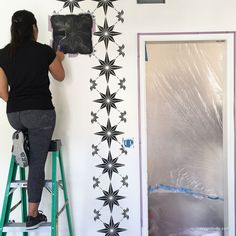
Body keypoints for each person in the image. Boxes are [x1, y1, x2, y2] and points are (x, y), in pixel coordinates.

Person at [0, 10, 65, 230]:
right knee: (38, 161)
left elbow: (1, 91)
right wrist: (57, 58)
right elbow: (60, 76)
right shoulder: (43, 51)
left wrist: (18, 105)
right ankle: (32, 215)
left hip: (14, 115)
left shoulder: (3, 54)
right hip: (40, 113)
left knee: (30, 141)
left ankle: (23, 142)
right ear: (33, 28)